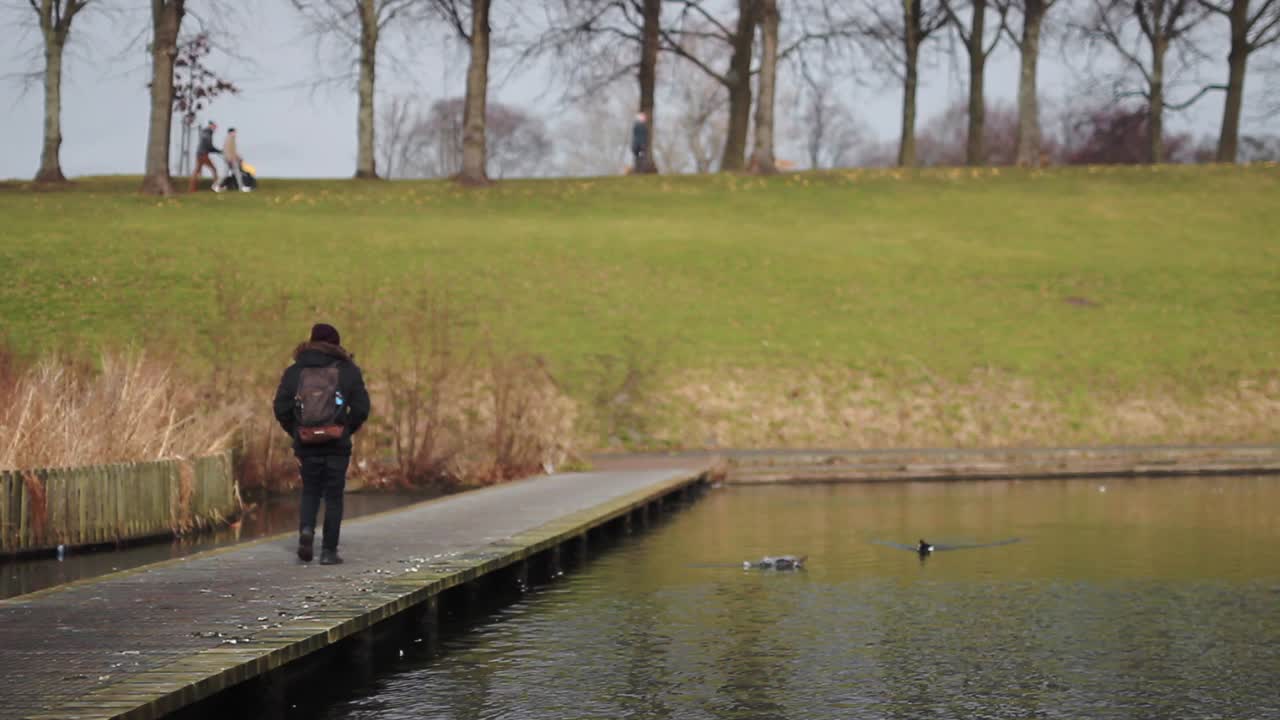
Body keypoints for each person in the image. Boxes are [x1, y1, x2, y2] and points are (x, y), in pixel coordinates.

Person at [273, 323, 371, 565]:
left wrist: (298, 432)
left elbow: (281, 408)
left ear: (311, 341)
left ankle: (306, 531)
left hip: (306, 443)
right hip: (337, 444)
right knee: (334, 497)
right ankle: (328, 552)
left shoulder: (295, 371)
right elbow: (362, 408)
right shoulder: (348, 370)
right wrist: (344, 430)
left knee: (310, 491)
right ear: (336, 344)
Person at [190, 120, 221, 192]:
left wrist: (217, 151)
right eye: (214, 127)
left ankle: (192, 188)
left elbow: (208, 146)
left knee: (197, 171)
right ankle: (215, 186)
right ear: (211, 126)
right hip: (203, 154)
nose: (215, 129)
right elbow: (209, 146)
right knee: (213, 169)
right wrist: (218, 151)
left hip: (199, 154)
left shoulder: (205, 133)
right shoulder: (208, 134)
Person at [218, 127, 249, 193]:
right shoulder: (229, 139)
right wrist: (230, 158)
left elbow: (233, 151)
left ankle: (216, 186)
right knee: (236, 173)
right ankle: (241, 187)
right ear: (230, 132)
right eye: (234, 132)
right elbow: (227, 150)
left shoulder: (231, 139)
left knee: (229, 174)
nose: (235, 133)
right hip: (231, 160)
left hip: (231, 159)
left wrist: (239, 157)